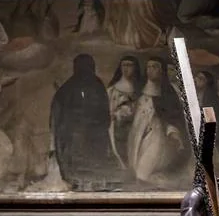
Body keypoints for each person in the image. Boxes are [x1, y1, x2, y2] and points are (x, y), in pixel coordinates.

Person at [51, 54, 112, 185]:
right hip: (76, 137)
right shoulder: (68, 88)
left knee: (91, 165)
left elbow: (104, 112)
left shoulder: (70, 87)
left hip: (92, 137)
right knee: (80, 166)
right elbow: (58, 116)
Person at [126, 56, 188, 186]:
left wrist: (173, 131)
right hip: (138, 132)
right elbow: (131, 109)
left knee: (145, 167)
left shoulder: (167, 92)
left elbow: (173, 115)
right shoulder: (139, 90)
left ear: (161, 71)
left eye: (155, 67)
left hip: (157, 133)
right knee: (136, 161)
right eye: (149, 67)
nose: (151, 70)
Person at [107, 55, 143, 172]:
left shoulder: (141, 89)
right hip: (117, 127)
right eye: (124, 65)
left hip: (135, 127)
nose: (126, 68)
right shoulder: (112, 90)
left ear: (135, 68)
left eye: (130, 65)